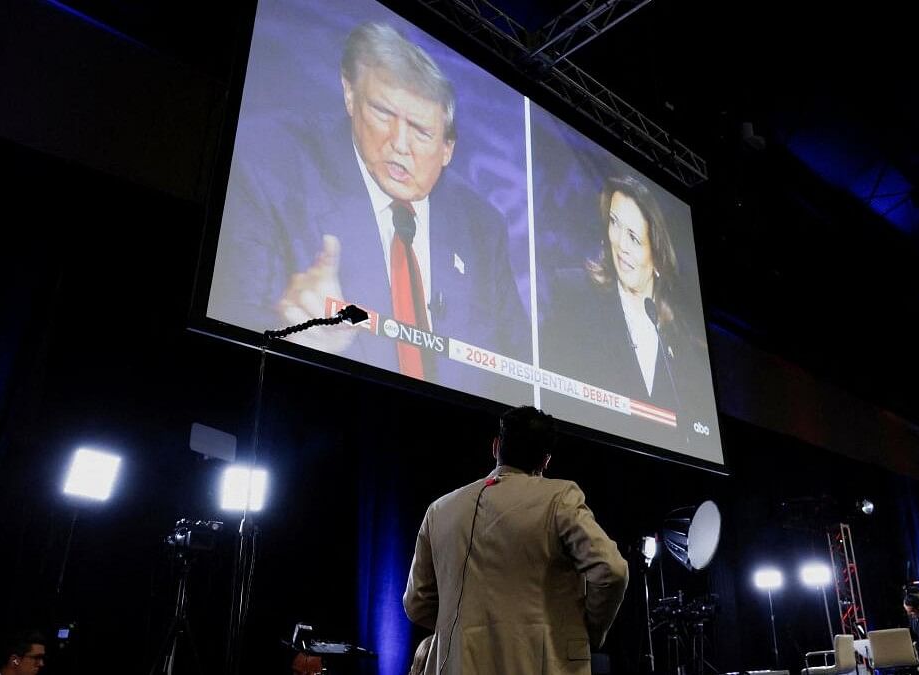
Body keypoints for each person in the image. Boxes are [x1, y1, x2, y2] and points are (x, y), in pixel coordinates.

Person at [210, 21, 530, 400]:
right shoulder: (268, 163)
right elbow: (231, 322)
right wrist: (290, 327)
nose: (399, 144)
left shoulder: (481, 224)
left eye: (421, 131)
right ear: (350, 95)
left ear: (448, 149)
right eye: (382, 113)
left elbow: (517, 367)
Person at [402, 406, 629, 674]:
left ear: (496, 446)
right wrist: (586, 628)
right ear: (546, 460)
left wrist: (464, 626)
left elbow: (416, 603)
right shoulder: (560, 499)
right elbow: (612, 571)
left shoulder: (439, 510)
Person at [540, 175, 709, 447]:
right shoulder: (573, 292)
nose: (620, 245)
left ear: (657, 253)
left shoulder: (681, 337)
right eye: (614, 224)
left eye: (634, 237)